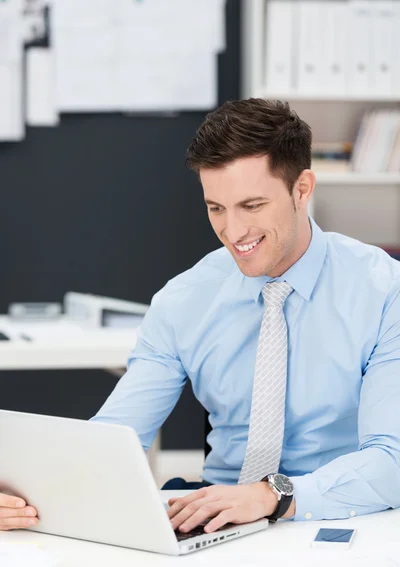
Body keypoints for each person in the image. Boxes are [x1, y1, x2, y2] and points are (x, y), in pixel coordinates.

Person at [2, 99, 400, 534]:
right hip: (217, 522)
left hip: (340, 516)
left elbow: (391, 460)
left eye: (252, 205)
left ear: (302, 189)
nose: (233, 231)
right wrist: (28, 493)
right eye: (216, 208)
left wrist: (273, 495)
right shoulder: (184, 301)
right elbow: (112, 440)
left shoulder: (383, 290)